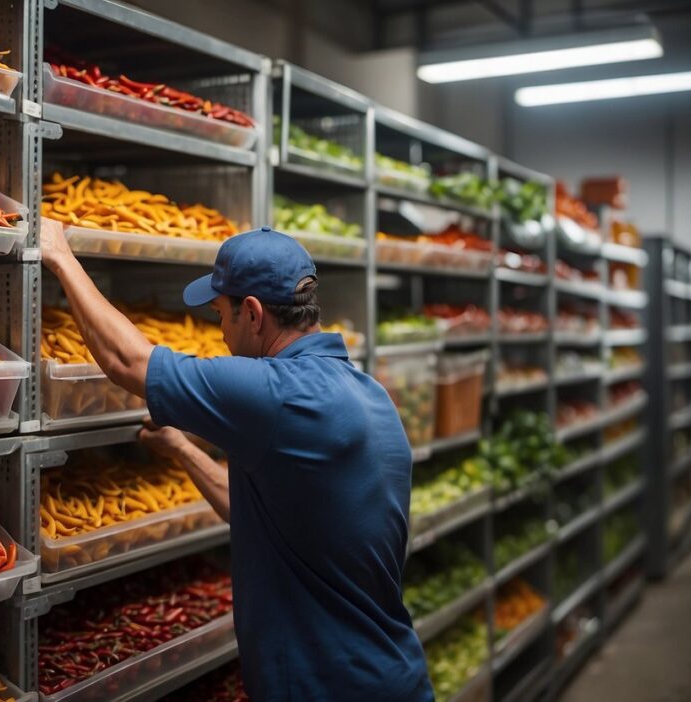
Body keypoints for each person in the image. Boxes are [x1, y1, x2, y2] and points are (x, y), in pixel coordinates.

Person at [40, 218, 433, 702]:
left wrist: (60, 256)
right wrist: (183, 449)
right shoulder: (367, 393)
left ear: (252, 314)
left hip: (327, 687)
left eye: (220, 315)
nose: (221, 333)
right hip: (390, 672)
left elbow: (129, 362)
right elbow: (258, 508)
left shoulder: (278, 393)